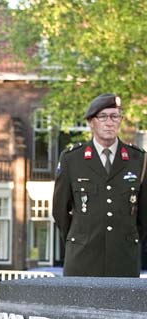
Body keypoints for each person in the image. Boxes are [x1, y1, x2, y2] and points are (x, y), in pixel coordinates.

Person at [52, 93, 147, 277]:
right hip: (82, 260)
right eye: (103, 117)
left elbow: (144, 213)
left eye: (115, 116)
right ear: (91, 122)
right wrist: (78, 239)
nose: (109, 122)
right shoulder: (72, 158)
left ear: (120, 121)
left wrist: (129, 239)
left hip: (123, 260)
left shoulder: (139, 159)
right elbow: (60, 210)